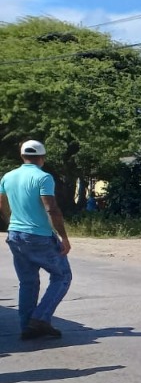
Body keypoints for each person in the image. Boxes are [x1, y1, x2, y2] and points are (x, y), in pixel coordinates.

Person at [0, 140, 73, 340]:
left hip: (15, 235)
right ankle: (40, 318)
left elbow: (2, 204)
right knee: (63, 276)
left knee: (28, 282)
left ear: (22, 156)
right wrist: (64, 237)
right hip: (39, 236)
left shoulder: (8, 176)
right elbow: (52, 209)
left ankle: (27, 327)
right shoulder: (43, 177)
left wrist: (10, 222)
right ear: (42, 157)